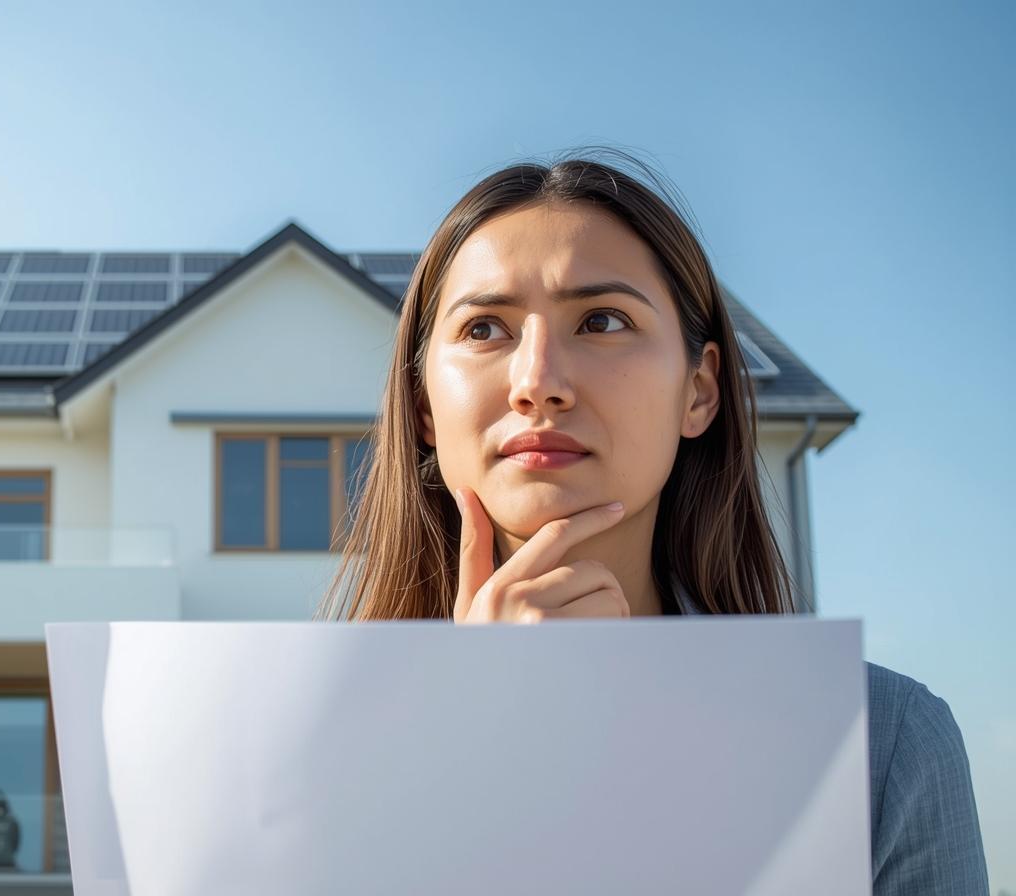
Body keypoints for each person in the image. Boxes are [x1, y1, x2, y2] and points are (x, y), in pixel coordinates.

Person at [318, 148, 989, 894]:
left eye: (601, 321)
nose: (536, 382)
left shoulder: (881, 744)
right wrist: (479, 759)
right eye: (484, 330)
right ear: (423, 409)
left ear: (698, 392)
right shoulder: (300, 754)